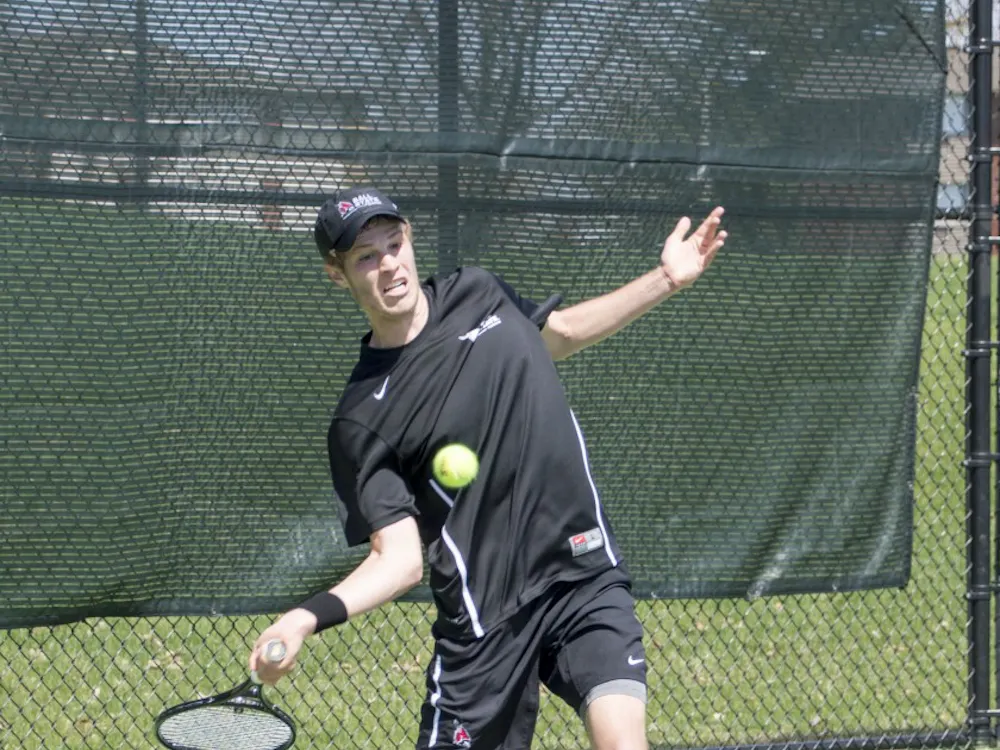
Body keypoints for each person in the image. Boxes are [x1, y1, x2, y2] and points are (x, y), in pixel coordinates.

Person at [250, 186, 726, 750]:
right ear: (338, 273)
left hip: (581, 572)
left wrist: (667, 279)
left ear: (410, 240)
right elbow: (399, 561)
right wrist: (306, 617)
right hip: (485, 623)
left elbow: (562, 334)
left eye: (393, 244)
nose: (389, 265)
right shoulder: (361, 421)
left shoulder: (477, 291)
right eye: (365, 257)